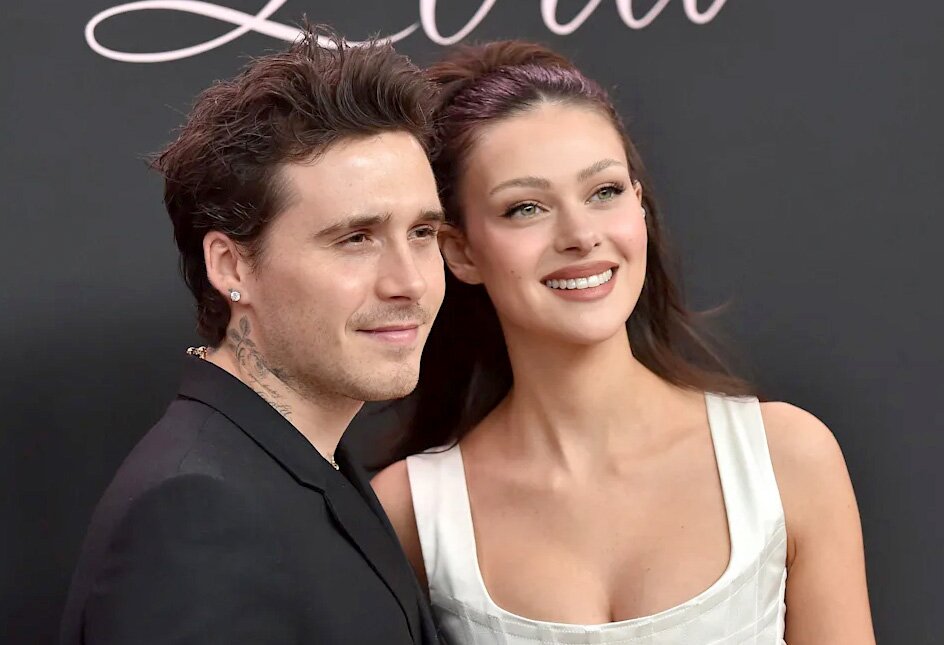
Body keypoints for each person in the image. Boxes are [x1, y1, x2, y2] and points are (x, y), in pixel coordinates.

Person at [373, 41, 875, 644]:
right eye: (526, 207)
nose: (580, 234)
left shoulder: (787, 459)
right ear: (460, 251)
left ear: (639, 206)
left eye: (604, 192)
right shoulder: (409, 513)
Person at [61, 27, 445, 645]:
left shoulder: (306, 457)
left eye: (423, 233)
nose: (411, 282)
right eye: (356, 239)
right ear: (231, 267)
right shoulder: (194, 515)